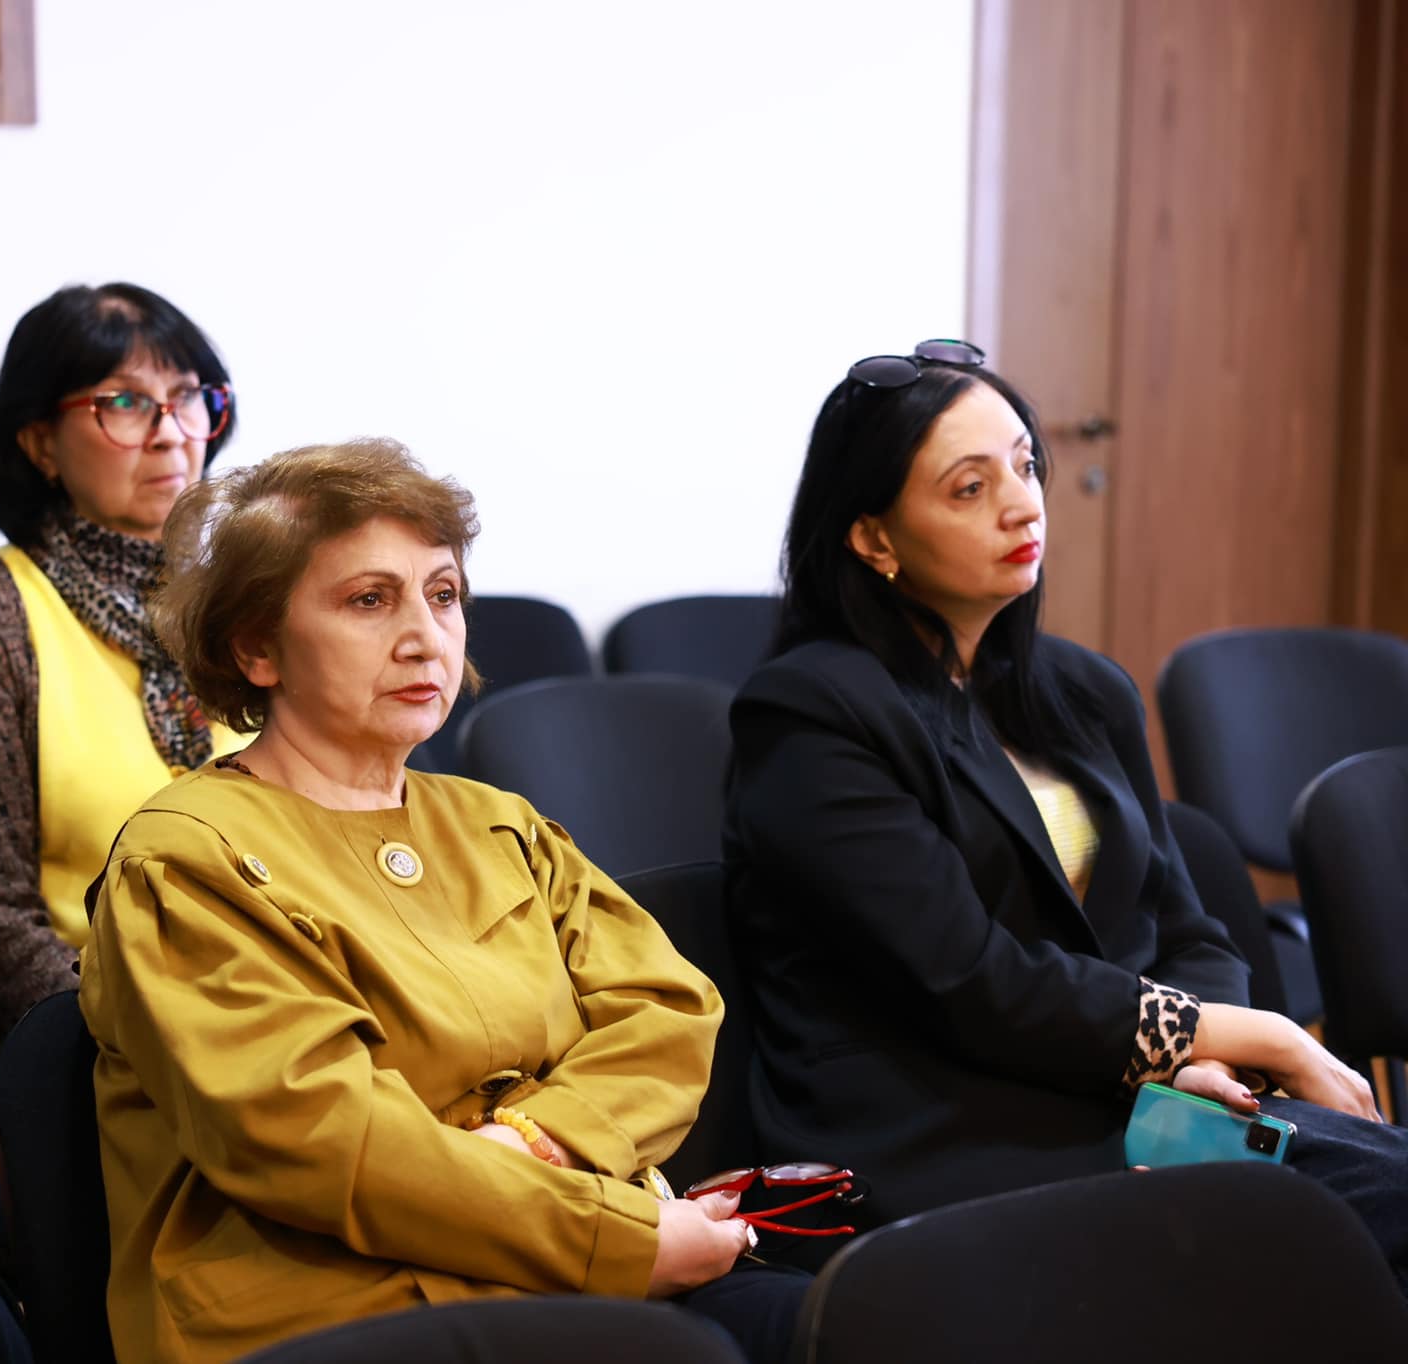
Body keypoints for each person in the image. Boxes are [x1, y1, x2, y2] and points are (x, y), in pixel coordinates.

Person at [80, 439, 808, 1364]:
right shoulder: (186, 860)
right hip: (343, 1313)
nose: (426, 636)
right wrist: (612, 1238)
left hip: (564, 1264)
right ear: (256, 647)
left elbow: (667, 1013)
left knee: (854, 1321)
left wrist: (536, 1142)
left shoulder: (498, 823)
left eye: (444, 594)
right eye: (369, 600)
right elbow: (324, 1144)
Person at [723, 340, 1408, 1280]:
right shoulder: (809, 713)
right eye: (970, 488)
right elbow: (972, 981)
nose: (1022, 502)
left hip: (1124, 1103)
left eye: (1025, 464)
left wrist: (1203, 1067)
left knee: (1384, 1194)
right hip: (951, 1133)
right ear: (874, 539)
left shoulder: (1082, 690)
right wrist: (1248, 1036)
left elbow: (1183, 926)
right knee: (1367, 1212)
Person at [0, 283, 246, 1247]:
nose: (171, 433)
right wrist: (170, 1059)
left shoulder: (246, 608)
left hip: (261, 1034)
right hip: (44, 1058)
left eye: (188, 396)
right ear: (39, 442)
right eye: (125, 402)